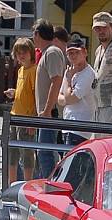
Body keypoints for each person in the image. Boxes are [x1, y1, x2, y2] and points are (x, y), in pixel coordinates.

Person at [32, 19, 65, 178]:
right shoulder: (47, 52)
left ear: (37, 33)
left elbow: (57, 80)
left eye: (34, 33)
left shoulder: (52, 52)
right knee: (44, 153)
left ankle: (49, 187)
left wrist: (46, 110)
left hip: (50, 112)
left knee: (45, 153)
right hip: (46, 112)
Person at [3, 37, 37, 182]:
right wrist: (15, 93)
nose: (21, 55)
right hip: (14, 115)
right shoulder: (21, 70)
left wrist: (33, 121)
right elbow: (25, 92)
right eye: (18, 53)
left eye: (24, 52)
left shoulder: (34, 70)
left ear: (31, 53)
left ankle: (27, 183)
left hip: (26, 118)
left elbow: (36, 96)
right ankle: (11, 183)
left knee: (27, 153)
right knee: (12, 153)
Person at [58, 39, 97, 146]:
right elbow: (59, 99)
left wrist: (68, 79)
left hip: (80, 127)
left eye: (77, 52)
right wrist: (67, 96)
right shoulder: (70, 71)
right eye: (70, 53)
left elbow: (71, 99)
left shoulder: (88, 74)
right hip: (67, 125)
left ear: (85, 52)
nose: (73, 56)